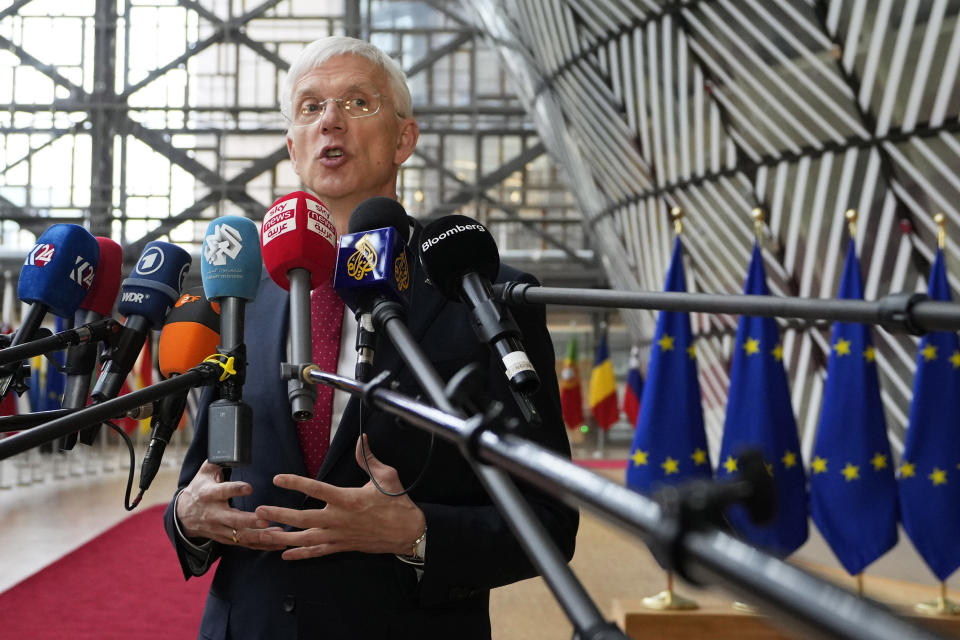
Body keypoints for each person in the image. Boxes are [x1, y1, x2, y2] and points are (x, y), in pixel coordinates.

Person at [164, 36, 578, 639]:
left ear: (403, 140)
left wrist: (416, 534)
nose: (329, 119)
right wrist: (186, 519)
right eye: (310, 108)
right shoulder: (242, 293)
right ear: (293, 148)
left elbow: (549, 520)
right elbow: (201, 483)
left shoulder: (480, 294)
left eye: (357, 103)